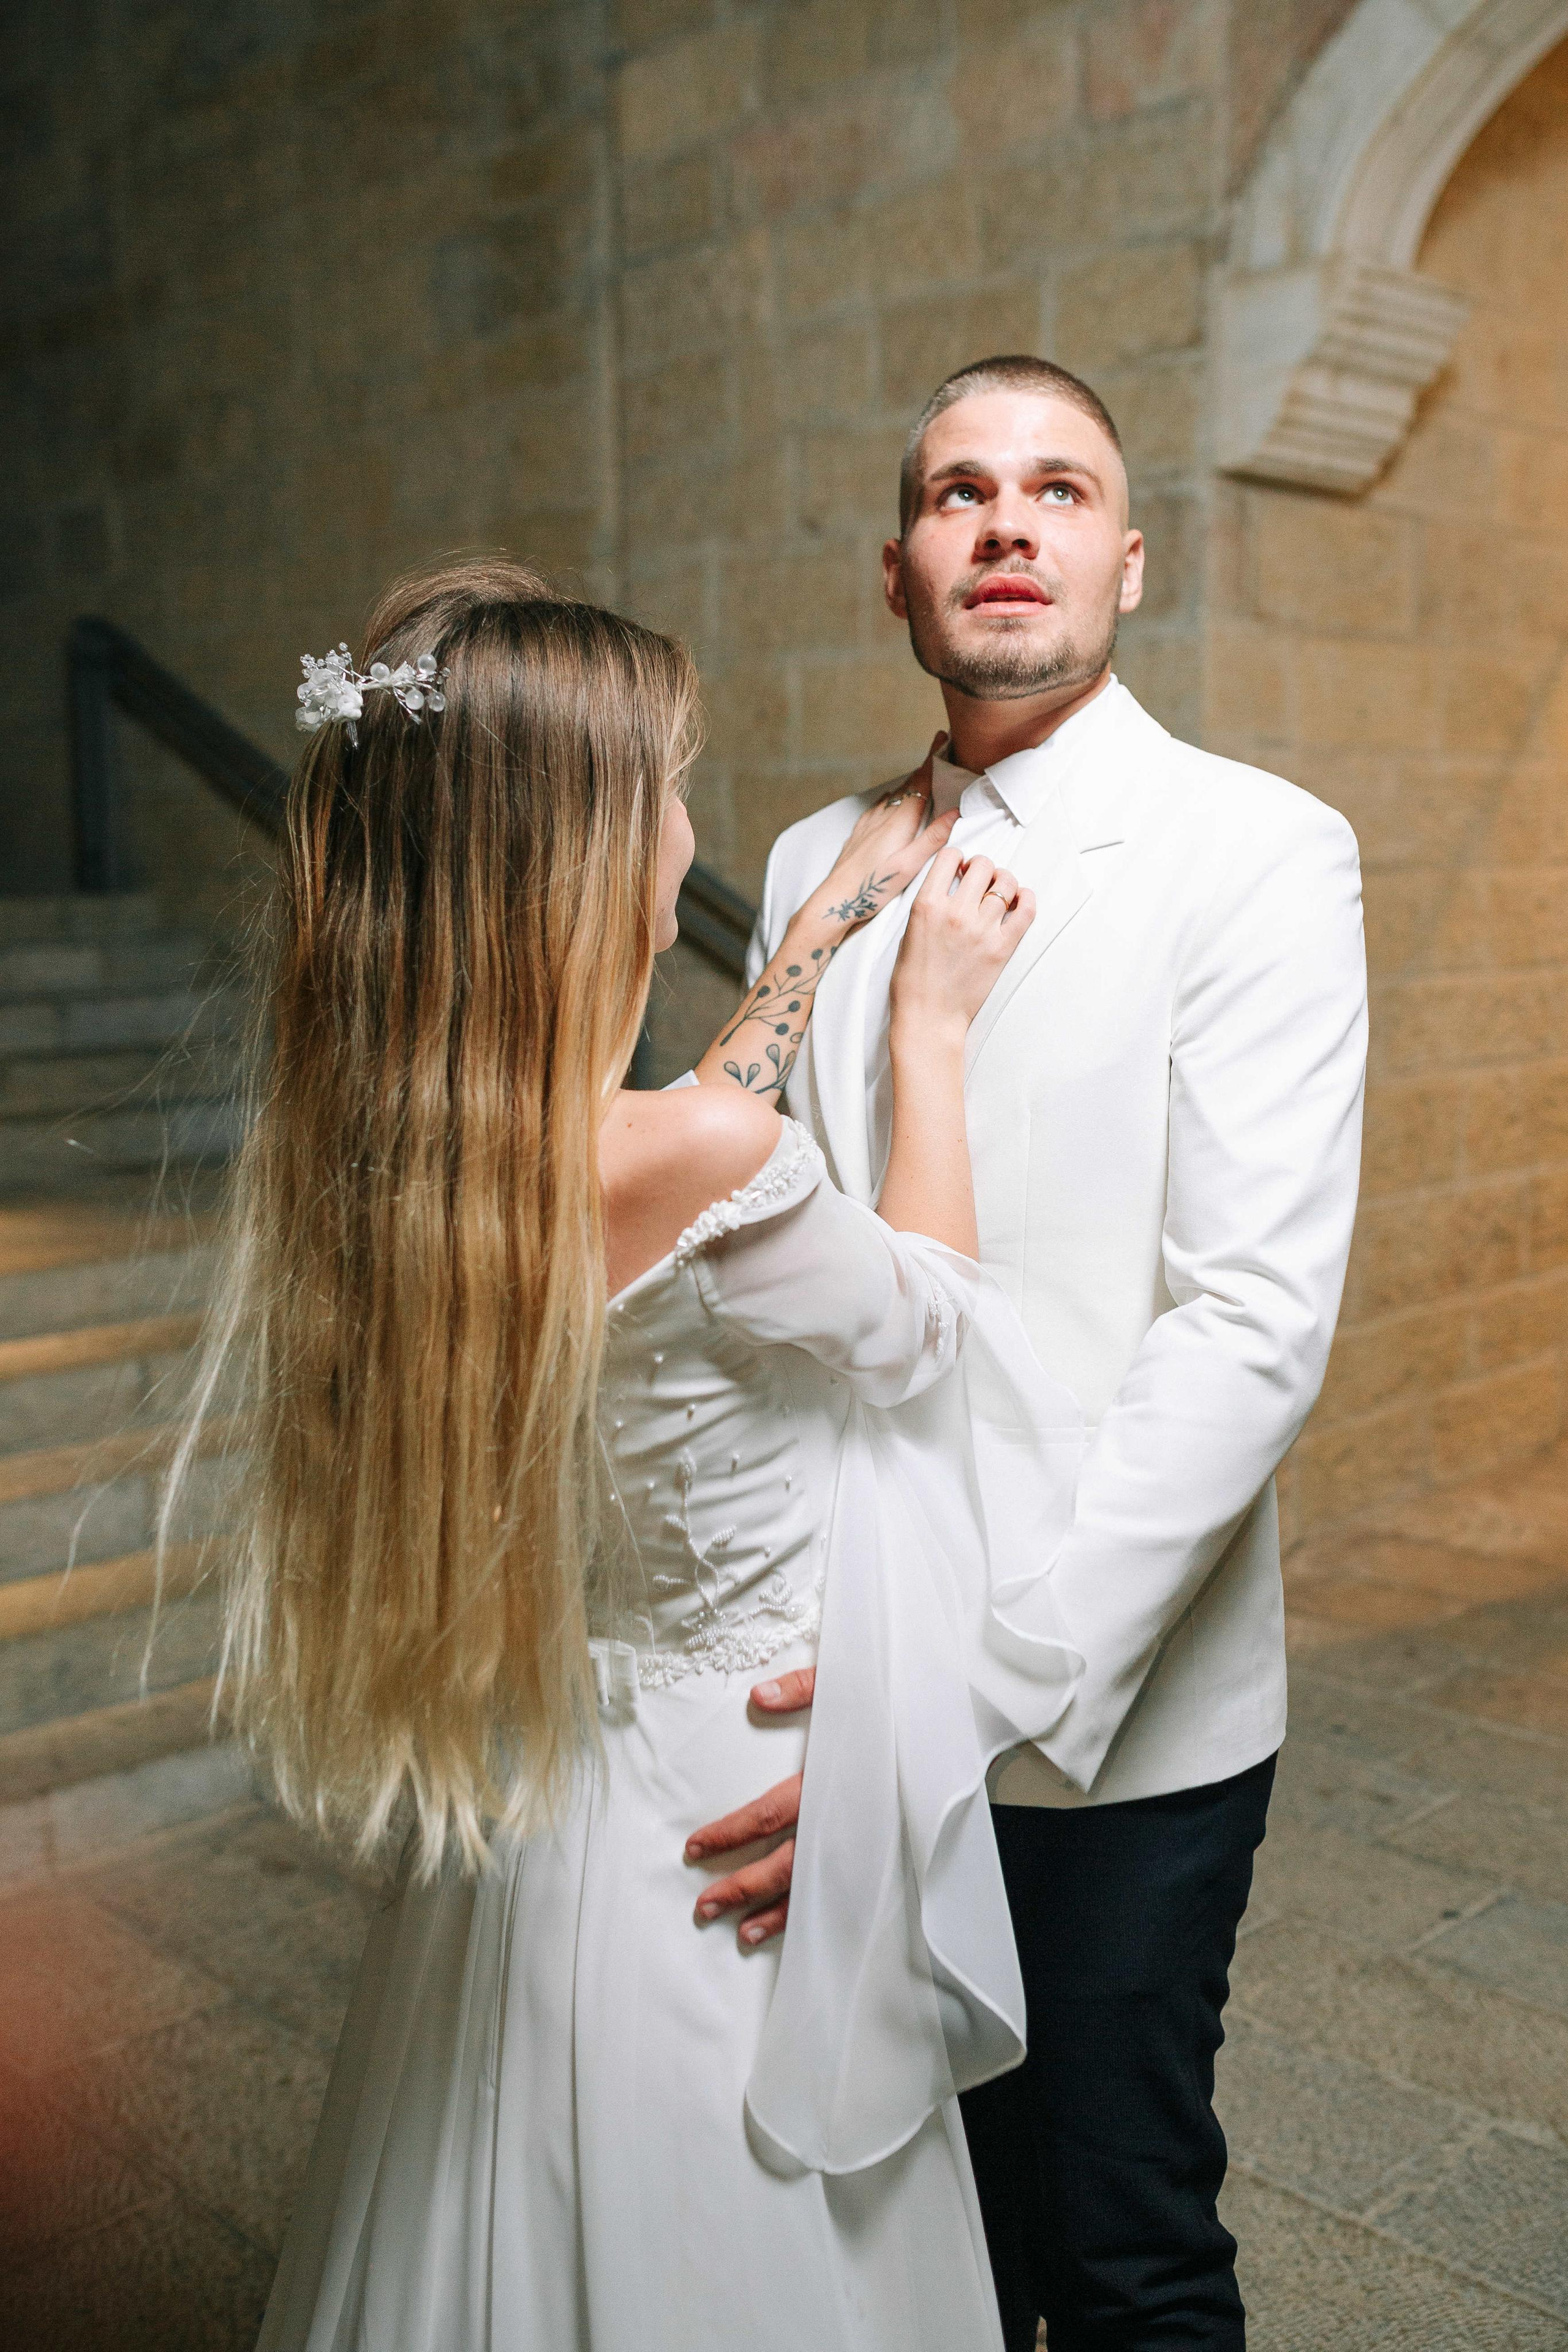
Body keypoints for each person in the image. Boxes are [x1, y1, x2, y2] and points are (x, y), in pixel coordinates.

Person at [182, 556, 1089, 2351]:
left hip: (555, 1804)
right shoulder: (693, 1163)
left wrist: (820, 928)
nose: (687, 826)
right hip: (724, 1806)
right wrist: (929, 1027)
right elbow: (925, 1322)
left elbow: (676, 1145)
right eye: (665, 788)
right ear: (584, 852)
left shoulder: (402, 1139)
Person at [685, 356, 1369, 2351]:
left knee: (1115, 2234)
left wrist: (957, 1705)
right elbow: (775, 1258)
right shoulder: (816, 859)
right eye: (962, 492)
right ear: (895, 572)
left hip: (1099, 1724)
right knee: (904, 2235)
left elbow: (1247, 1326)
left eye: (1059, 491)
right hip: (825, 1661)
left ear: (1127, 562)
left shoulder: (1257, 849)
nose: (1008, 522)